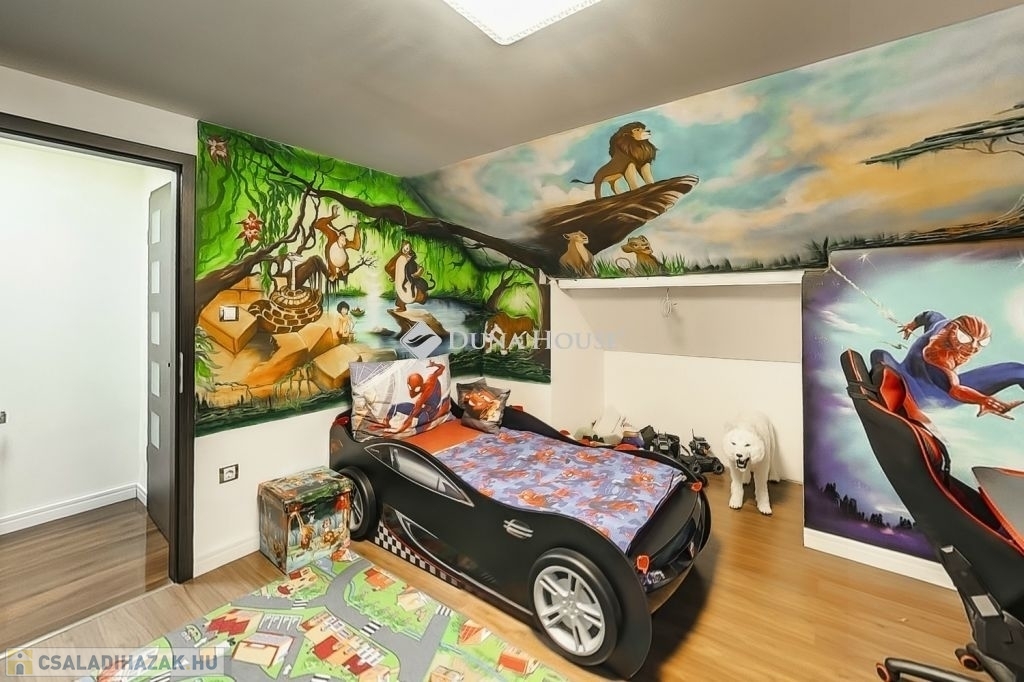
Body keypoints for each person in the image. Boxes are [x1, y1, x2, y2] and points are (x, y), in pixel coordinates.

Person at [871, 311, 1024, 418]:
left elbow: (929, 315)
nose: (974, 347)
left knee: (1018, 370)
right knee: (880, 354)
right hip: (928, 396)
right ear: (952, 330)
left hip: (941, 386)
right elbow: (955, 390)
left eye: (982, 342)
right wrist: (984, 400)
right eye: (966, 338)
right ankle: (894, 397)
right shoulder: (939, 354)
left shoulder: (940, 322)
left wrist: (911, 325)